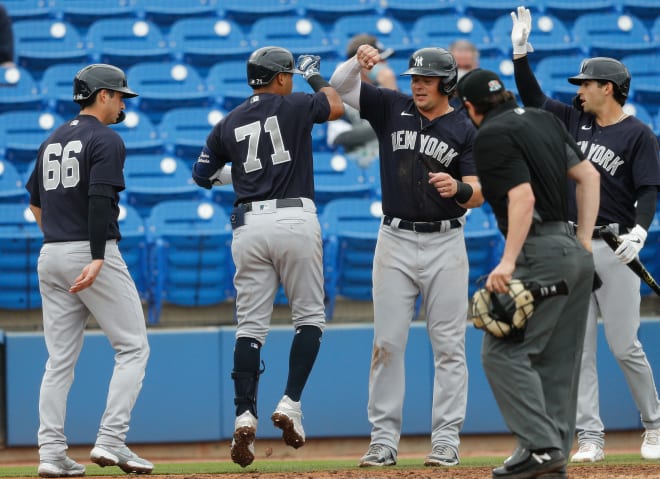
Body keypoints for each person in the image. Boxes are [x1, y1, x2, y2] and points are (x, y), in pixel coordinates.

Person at [510, 6, 660, 463]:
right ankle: (590, 436)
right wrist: (519, 56)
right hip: (573, 246)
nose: (579, 91)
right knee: (578, 350)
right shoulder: (576, 122)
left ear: (607, 89)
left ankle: (654, 425)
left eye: (586, 84)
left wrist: (640, 230)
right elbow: (535, 100)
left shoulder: (638, 135)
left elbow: (650, 189)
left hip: (615, 248)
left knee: (624, 344)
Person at [330, 45, 484, 468]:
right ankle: (383, 440)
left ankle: (446, 439)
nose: (417, 84)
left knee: (449, 347)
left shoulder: (465, 128)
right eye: (414, 77)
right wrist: (357, 65)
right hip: (394, 240)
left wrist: (461, 190)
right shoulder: (390, 106)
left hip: (446, 242)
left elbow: (479, 190)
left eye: (427, 78)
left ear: (447, 83)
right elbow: (339, 88)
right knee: (387, 343)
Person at [191, 46, 344, 468]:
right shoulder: (294, 103)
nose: (291, 79)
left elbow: (201, 174)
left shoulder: (229, 120)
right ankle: (291, 403)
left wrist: (240, 175)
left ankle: (244, 414)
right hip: (294, 217)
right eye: (290, 74)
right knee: (309, 318)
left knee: (250, 328)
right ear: (279, 77)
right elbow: (335, 106)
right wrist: (315, 75)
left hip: (248, 224)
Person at [457, 67, 600, 479]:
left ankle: (540, 447)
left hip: (537, 250)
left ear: (470, 107)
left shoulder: (490, 136)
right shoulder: (543, 119)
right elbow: (588, 176)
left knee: (502, 354)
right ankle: (551, 461)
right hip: (573, 250)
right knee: (558, 363)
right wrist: (584, 243)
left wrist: (507, 261)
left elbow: (522, 197)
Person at [25, 64, 153, 477]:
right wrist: (95, 254)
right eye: (118, 96)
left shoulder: (52, 139)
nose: (121, 103)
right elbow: (100, 199)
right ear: (101, 96)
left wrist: (62, 239)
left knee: (59, 360)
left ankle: (50, 453)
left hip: (52, 252)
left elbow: (35, 203)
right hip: (90, 250)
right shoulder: (105, 138)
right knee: (133, 347)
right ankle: (112, 439)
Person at [327, 33, 398, 168]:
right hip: (360, 164)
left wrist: (392, 92)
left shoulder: (385, 88)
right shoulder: (338, 93)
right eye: (380, 61)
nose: (385, 65)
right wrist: (384, 126)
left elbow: (406, 127)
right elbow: (338, 137)